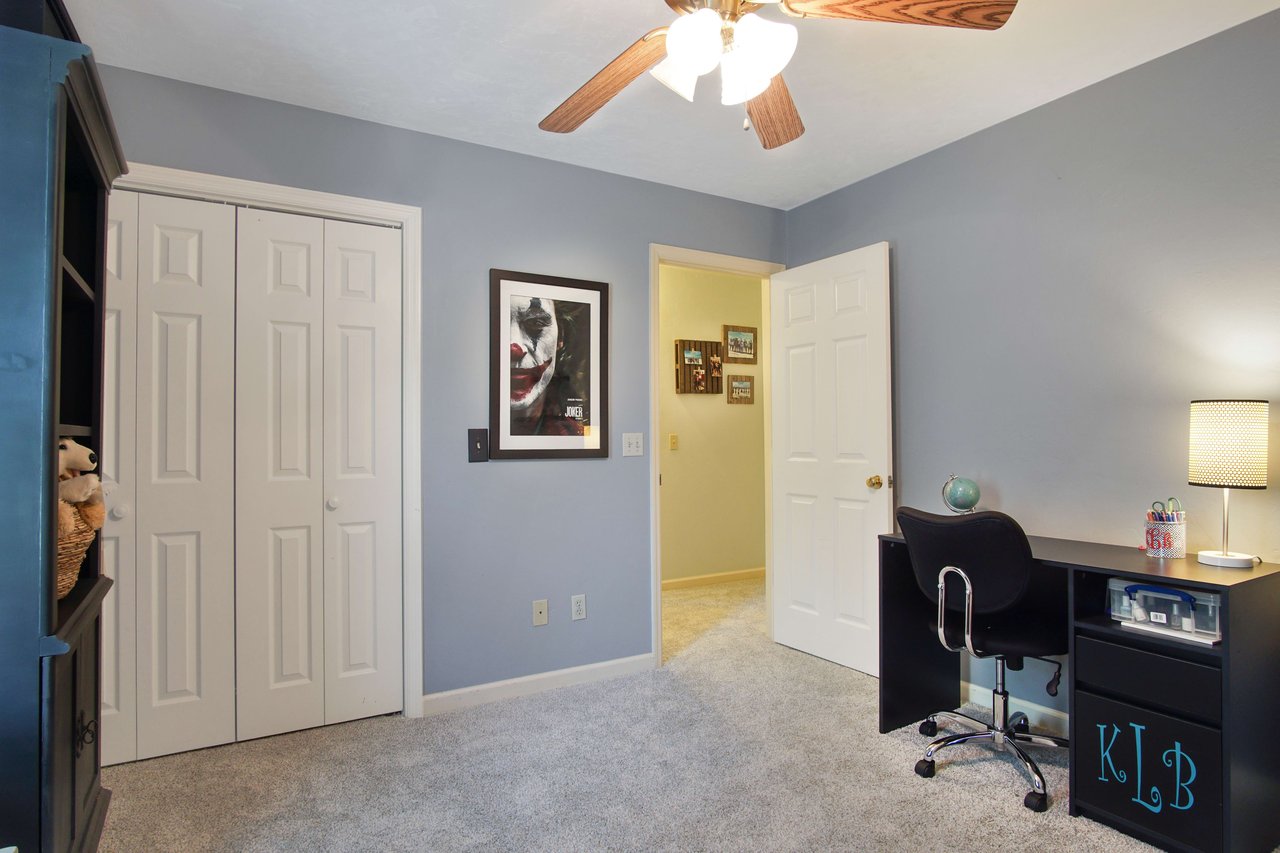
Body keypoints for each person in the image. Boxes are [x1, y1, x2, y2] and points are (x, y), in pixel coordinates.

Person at [509, 295, 589, 436]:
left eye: (536, 323)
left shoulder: (577, 432)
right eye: (497, 329)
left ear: (561, 337)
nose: (515, 349)